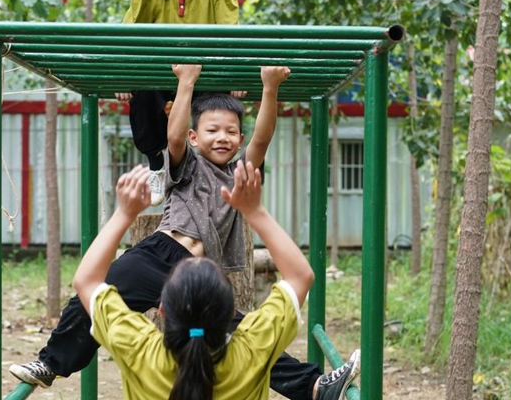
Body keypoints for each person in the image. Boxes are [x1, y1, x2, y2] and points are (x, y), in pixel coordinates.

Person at [10, 65, 358, 400]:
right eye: (212, 130)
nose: (222, 137)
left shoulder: (241, 174)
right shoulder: (187, 165)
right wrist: (187, 80)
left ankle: (313, 387)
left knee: (243, 340)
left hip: (198, 275)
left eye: (231, 131)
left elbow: (263, 138)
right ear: (195, 137)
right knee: (89, 299)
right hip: (158, 253)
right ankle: (50, 363)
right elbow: (173, 136)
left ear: (239, 139)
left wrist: (270, 90)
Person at [74, 161, 361, 400]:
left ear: (161, 309)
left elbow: (86, 281)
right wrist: (254, 211)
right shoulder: (252, 348)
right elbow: (301, 276)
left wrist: (124, 213)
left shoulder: (138, 349)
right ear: (230, 314)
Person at [117, 0, 243, 206]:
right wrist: (124, 79)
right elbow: (127, 36)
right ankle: (156, 163)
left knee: (220, 109)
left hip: (205, 75)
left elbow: (232, 39)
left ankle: (213, 172)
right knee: (143, 94)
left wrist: (235, 79)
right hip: (160, 73)